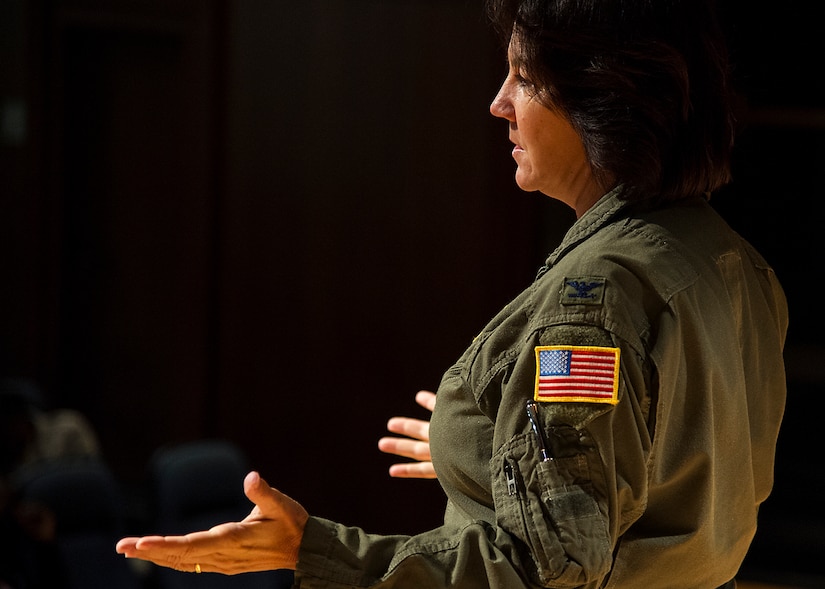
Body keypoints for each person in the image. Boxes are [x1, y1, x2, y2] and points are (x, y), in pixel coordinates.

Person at [116, 0, 788, 587]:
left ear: (601, 96)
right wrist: (498, 439)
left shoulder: (593, 300)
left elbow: (545, 570)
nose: (498, 101)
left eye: (524, 77)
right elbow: (667, 467)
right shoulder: (732, 262)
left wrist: (316, 549)